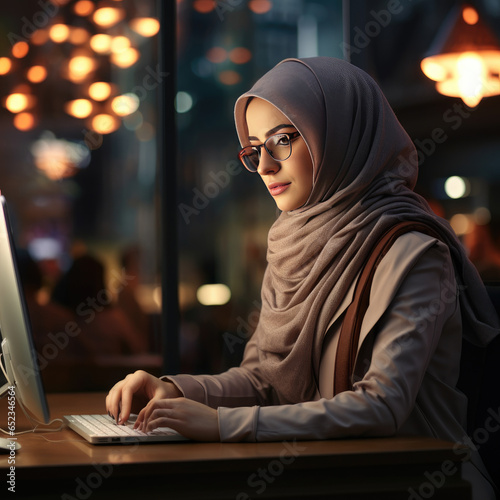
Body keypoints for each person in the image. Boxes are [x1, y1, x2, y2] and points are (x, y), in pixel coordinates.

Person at [106, 57, 499, 498]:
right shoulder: (293, 244)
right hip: (328, 476)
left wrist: (221, 424)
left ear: (339, 135)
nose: (266, 166)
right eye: (255, 149)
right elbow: (263, 381)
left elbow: (381, 406)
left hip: (422, 482)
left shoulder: (414, 251)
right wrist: (174, 390)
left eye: (283, 139)